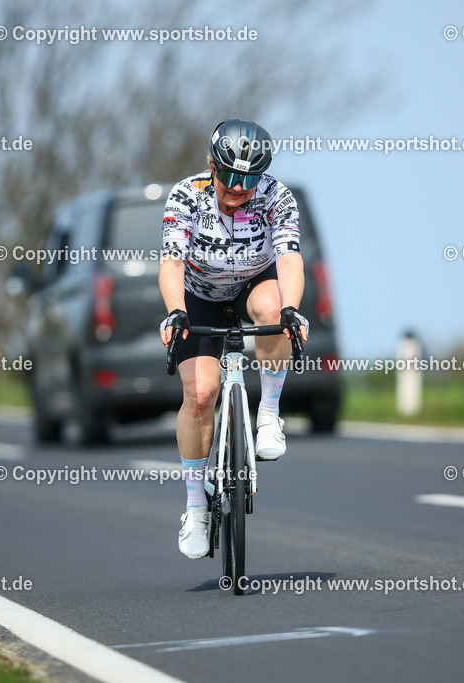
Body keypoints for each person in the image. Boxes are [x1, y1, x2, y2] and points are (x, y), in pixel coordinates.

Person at [159, 118, 309, 559]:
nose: (237, 188)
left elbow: (289, 258)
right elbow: (171, 262)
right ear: (211, 166)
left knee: (273, 310)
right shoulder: (187, 195)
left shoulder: (276, 196)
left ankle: (268, 412)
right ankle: (195, 508)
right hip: (198, 294)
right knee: (202, 393)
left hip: (252, 284)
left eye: (247, 180)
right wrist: (176, 312)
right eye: (228, 176)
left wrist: (291, 309)